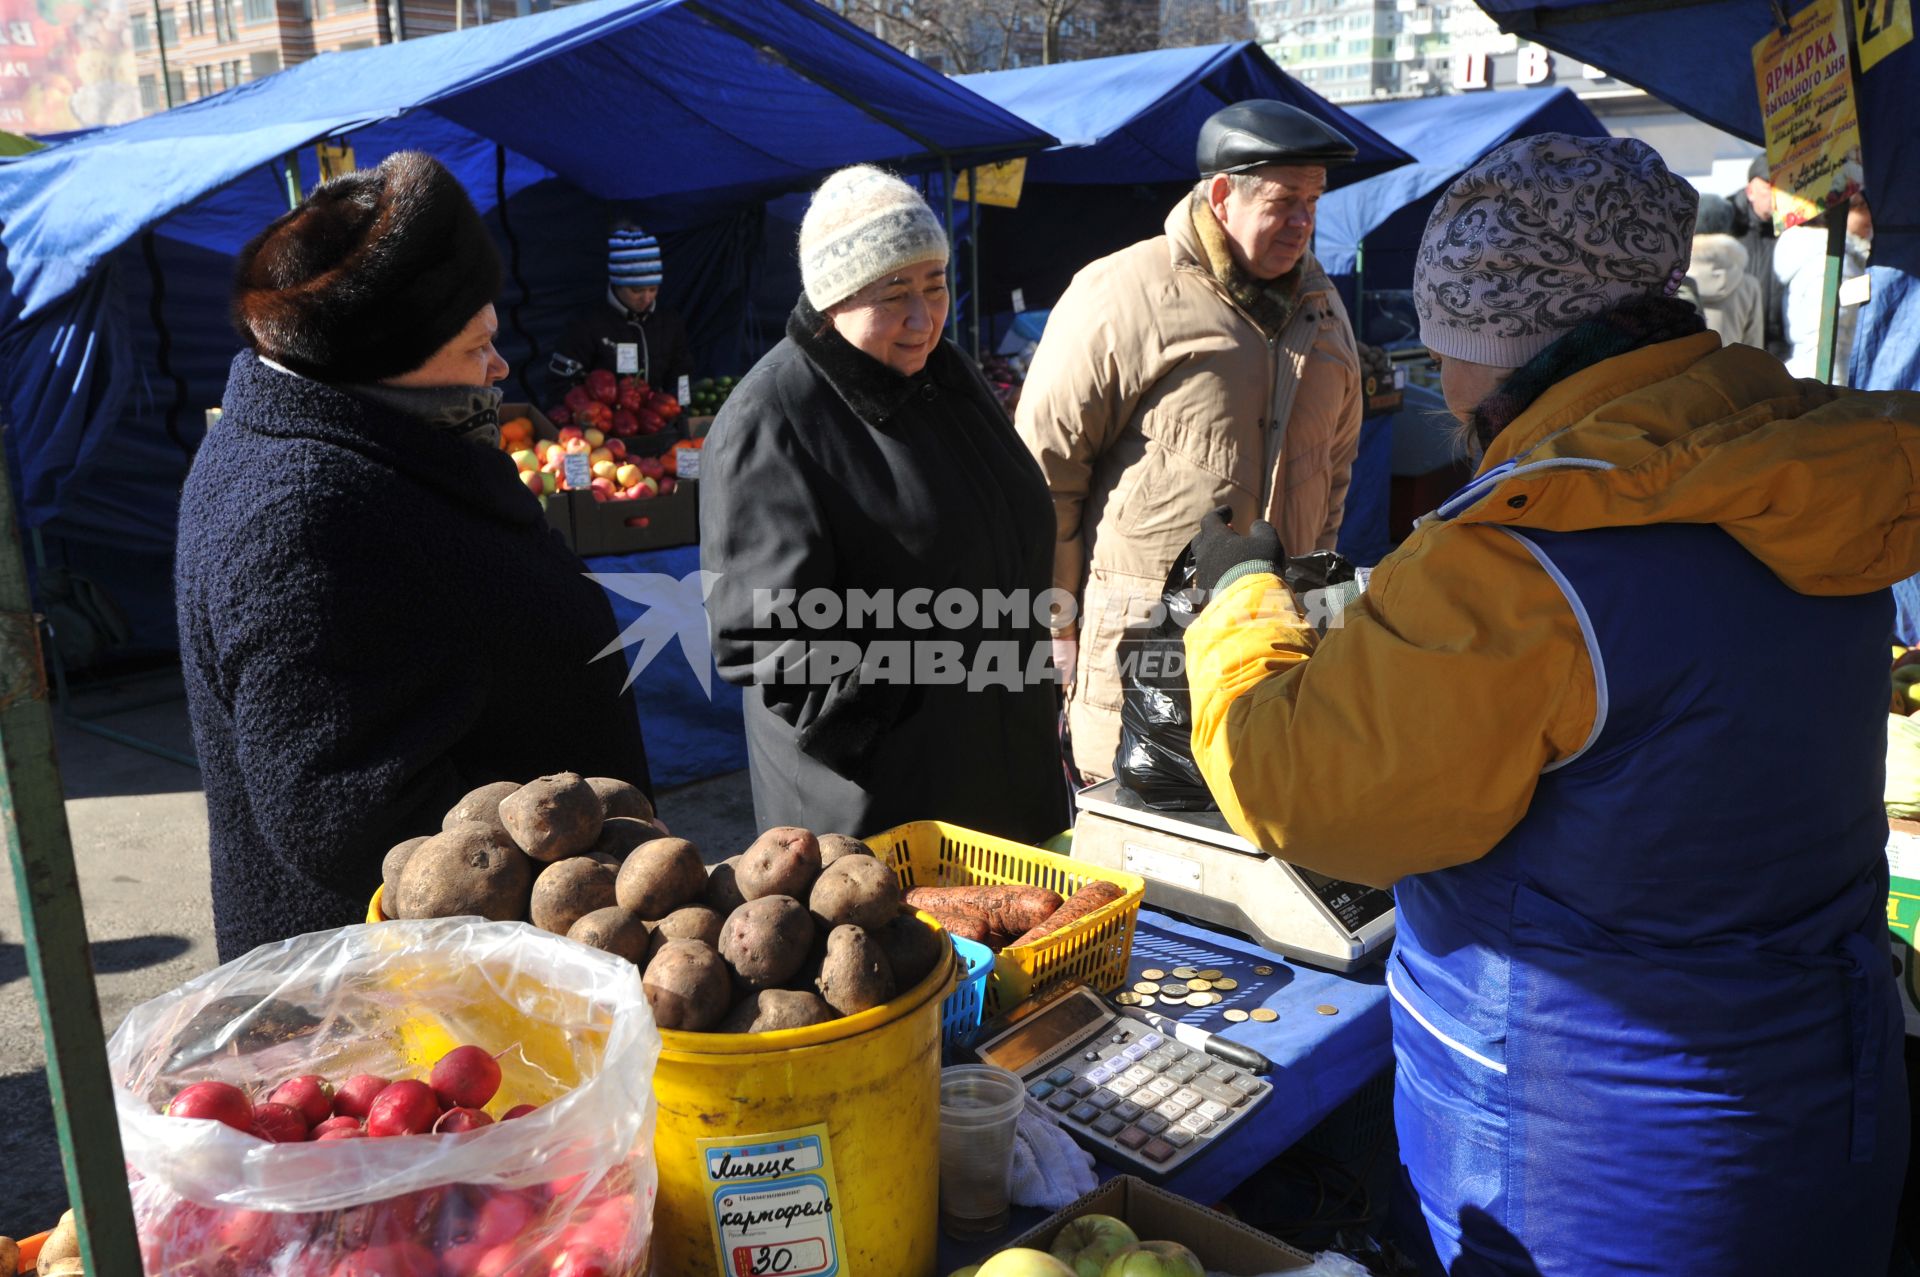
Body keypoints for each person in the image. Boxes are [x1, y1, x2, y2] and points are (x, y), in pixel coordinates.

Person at [1179, 133, 1911, 1275]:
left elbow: (1296, 780)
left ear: (1506, 337)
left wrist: (1237, 596)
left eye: (1444, 354)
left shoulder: (1527, 558)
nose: (1441, 382)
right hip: (1825, 1108)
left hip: (1592, 1171)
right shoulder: (1806, 472)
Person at [179, 152, 651, 962]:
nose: (500, 368)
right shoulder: (302, 513)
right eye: (477, 345)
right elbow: (350, 819)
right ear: (385, 355)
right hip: (419, 1004)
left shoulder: (366, 440)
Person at [700, 166, 1067, 841]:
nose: (922, 319)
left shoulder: (946, 374)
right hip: (884, 812)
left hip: (1006, 778)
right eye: (893, 292)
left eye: (935, 286)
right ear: (835, 296)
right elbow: (758, 637)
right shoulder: (773, 417)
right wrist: (895, 708)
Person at [1016, 99, 1363, 785]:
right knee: (1139, 869)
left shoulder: (1324, 308)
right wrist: (1054, 623)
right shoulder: (1120, 295)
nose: (1303, 223)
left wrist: (1319, 614)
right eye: (1286, 201)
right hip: (1146, 663)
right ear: (1225, 194)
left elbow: (1336, 473)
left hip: (1277, 664)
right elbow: (1040, 476)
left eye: (1313, 202)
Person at [548, 222, 693, 397]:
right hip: (602, 420)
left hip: (657, 418)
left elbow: (681, 374)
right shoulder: (586, 323)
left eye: (653, 289)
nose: (646, 298)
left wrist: (681, 411)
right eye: (636, 290)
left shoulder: (669, 321)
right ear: (617, 284)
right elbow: (562, 382)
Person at [1773, 194, 1871, 381]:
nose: (1868, 216)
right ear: (1839, 214)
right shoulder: (1828, 262)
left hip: (1816, 376)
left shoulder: (1829, 257)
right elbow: (1823, 340)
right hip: (1823, 381)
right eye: (1861, 207)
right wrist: (1835, 388)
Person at [1685, 192, 1762, 347]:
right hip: (1731, 370)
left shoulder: (1673, 281)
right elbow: (1754, 350)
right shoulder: (1748, 285)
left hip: (1684, 370)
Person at [1738, 153, 1788, 357]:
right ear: (1750, 191)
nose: (1776, 194)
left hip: (1783, 350)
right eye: (1769, 187)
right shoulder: (1732, 230)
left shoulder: (1795, 233)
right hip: (1741, 349)